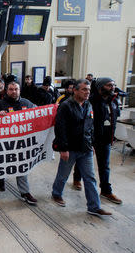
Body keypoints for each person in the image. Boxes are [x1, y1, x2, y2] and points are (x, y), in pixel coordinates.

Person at [51, 79, 112, 217]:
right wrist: (63, 148)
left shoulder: (88, 105)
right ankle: (56, 193)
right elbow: (60, 129)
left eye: (89, 90)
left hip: (86, 149)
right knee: (63, 175)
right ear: (75, 90)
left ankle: (94, 206)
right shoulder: (66, 106)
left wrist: (92, 144)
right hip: (70, 148)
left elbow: (90, 126)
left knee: (90, 178)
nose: (87, 92)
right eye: (84, 89)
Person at [0, 82, 38, 205]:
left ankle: (25, 192)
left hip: (21, 143)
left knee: (21, 167)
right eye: (11, 89)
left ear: (20, 90)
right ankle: (0, 180)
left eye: (16, 89)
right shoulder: (1, 104)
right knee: (1, 164)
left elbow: (39, 113)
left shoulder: (27, 103)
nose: (14, 92)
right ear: (7, 91)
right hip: (5, 143)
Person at [89, 78, 122, 204]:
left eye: (113, 85)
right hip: (92, 138)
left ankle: (106, 190)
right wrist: (90, 141)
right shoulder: (92, 101)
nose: (112, 87)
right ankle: (77, 178)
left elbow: (114, 117)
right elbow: (88, 122)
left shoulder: (113, 101)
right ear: (101, 87)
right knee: (84, 164)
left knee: (105, 166)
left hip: (106, 139)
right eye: (109, 85)